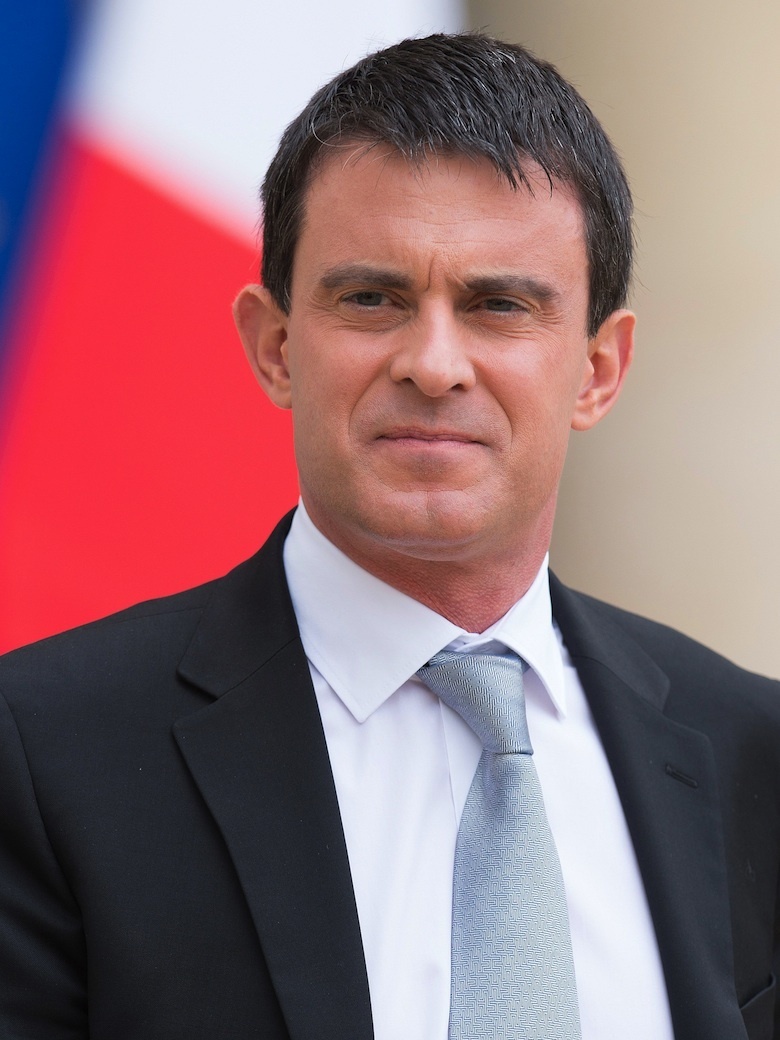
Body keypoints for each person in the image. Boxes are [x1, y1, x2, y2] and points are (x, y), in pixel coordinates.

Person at [0, 32, 777, 1040]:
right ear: (276, 347)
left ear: (598, 371)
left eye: (500, 305)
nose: (435, 364)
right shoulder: (44, 754)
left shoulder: (752, 756)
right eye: (373, 298)